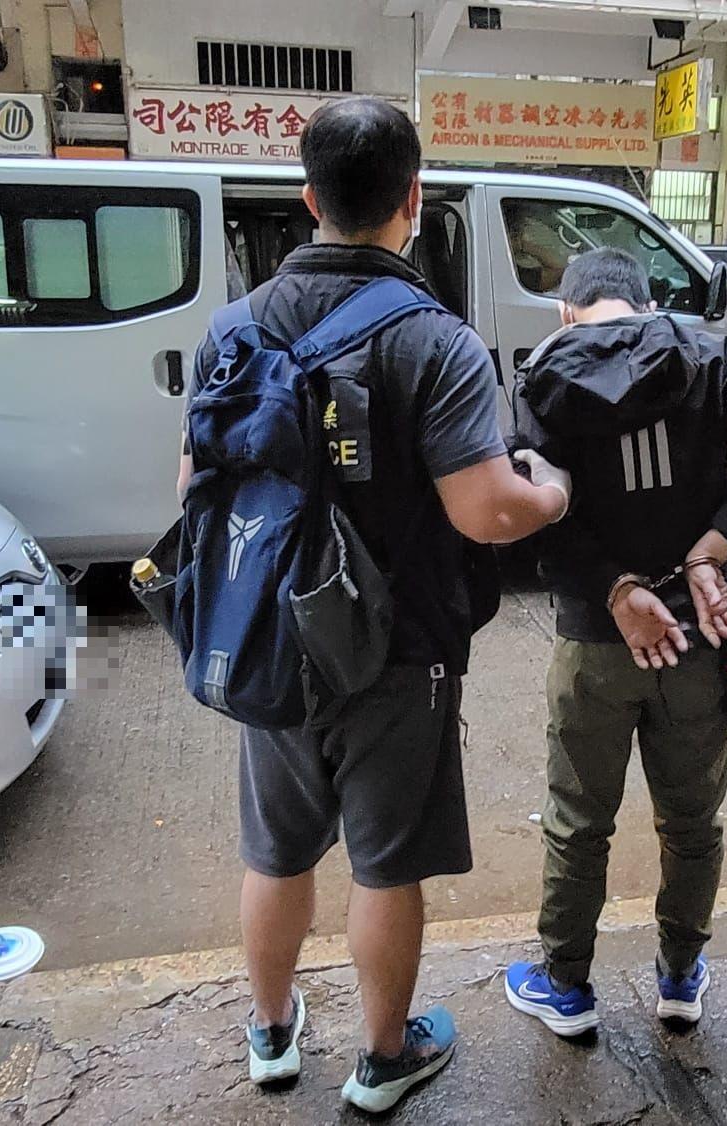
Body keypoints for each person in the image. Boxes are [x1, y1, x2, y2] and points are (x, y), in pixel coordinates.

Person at [176, 97, 572, 1113]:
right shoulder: (434, 340)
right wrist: (551, 492)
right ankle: (384, 1057)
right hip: (397, 645)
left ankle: (271, 1034)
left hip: (266, 635)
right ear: (413, 198)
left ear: (309, 199)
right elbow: (486, 511)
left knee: (275, 850)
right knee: (386, 864)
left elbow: (193, 491)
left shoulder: (231, 328)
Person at [502, 248, 727, 1037]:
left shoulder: (545, 374)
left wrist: (615, 589)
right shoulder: (712, 357)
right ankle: (679, 975)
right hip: (702, 630)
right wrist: (711, 548)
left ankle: (566, 984)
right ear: (644, 303)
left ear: (568, 309)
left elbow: (533, 512)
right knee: (693, 821)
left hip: (597, 643)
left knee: (578, 820)